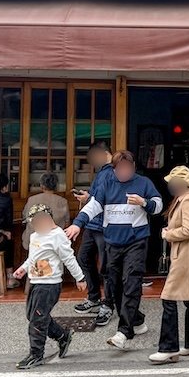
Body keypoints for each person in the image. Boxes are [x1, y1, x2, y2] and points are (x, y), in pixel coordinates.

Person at [67, 150, 162, 350]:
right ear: (114, 169)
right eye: (120, 169)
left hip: (136, 241)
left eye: (128, 168)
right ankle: (137, 320)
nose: (124, 172)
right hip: (112, 242)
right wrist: (77, 224)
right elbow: (92, 206)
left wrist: (144, 202)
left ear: (133, 167)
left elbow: (158, 206)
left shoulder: (144, 183)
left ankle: (124, 332)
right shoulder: (107, 184)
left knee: (131, 282)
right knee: (114, 284)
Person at [149, 165, 189, 365]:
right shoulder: (186, 198)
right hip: (188, 256)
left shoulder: (188, 200)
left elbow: (188, 230)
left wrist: (168, 234)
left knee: (169, 298)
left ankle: (168, 348)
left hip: (185, 257)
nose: (171, 185)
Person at [12, 203, 87, 369]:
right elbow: (33, 257)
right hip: (35, 281)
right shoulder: (35, 236)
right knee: (33, 316)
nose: (34, 226)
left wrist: (80, 277)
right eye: (32, 224)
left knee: (38, 319)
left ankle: (36, 354)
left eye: (36, 223)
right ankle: (62, 336)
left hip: (49, 284)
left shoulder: (58, 236)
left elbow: (69, 258)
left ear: (46, 219)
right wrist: (23, 269)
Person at [68, 141, 115, 326]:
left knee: (106, 267)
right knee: (84, 258)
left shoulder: (113, 172)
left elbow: (108, 199)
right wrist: (88, 198)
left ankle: (108, 304)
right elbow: (97, 198)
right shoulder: (101, 172)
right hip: (92, 224)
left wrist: (89, 200)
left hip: (104, 226)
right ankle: (94, 296)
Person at [22, 172, 70, 252]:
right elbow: (67, 224)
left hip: (33, 244)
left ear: (42, 185)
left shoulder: (32, 199)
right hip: (55, 244)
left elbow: (25, 217)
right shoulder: (63, 201)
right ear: (56, 186)